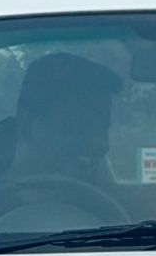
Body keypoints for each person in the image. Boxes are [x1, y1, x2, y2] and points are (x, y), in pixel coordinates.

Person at [8, 51, 121, 189]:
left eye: (104, 127)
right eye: (80, 128)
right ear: (26, 125)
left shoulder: (116, 206)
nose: (102, 144)